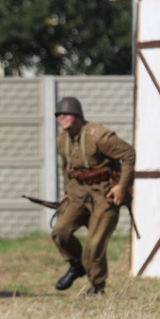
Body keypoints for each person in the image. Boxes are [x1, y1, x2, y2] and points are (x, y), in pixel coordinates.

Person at [51, 96, 135, 296]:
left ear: (78, 116)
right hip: (78, 193)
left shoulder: (98, 136)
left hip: (103, 193)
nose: (62, 117)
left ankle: (97, 286)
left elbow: (128, 154)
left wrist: (122, 187)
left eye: (66, 114)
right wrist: (66, 191)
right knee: (60, 232)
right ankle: (76, 265)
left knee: (94, 244)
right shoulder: (62, 139)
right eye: (59, 115)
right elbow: (66, 167)